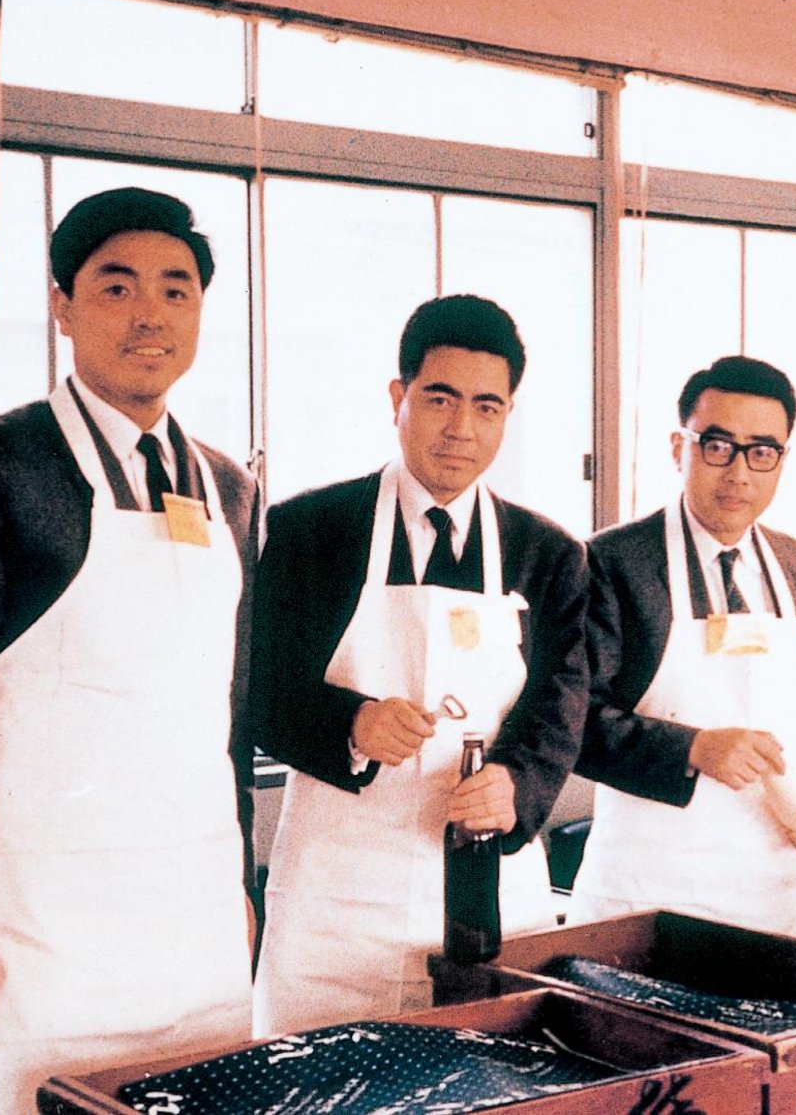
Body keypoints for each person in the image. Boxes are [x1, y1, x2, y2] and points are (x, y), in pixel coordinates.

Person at [0, 188, 257, 1112]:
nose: (149, 314)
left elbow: (228, 714)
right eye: (117, 287)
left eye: (175, 289)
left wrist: (239, 880)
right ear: (63, 305)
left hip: (191, 919)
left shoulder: (230, 489)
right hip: (29, 931)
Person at [250, 294, 588, 1036]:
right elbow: (259, 693)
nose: (461, 428)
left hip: (488, 890)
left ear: (508, 415)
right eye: (439, 398)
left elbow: (562, 704)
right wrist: (351, 724)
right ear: (397, 398)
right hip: (335, 902)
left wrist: (518, 782)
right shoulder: (311, 530)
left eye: (486, 406)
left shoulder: (549, 553)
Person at [569, 356, 796, 939]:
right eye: (718, 446)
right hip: (645, 895)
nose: (739, 473)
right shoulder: (611, 562)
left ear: (781, 461)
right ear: (679, 447)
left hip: (779, 898)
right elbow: (572, 724)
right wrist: (694, 748)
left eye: (762, 452)